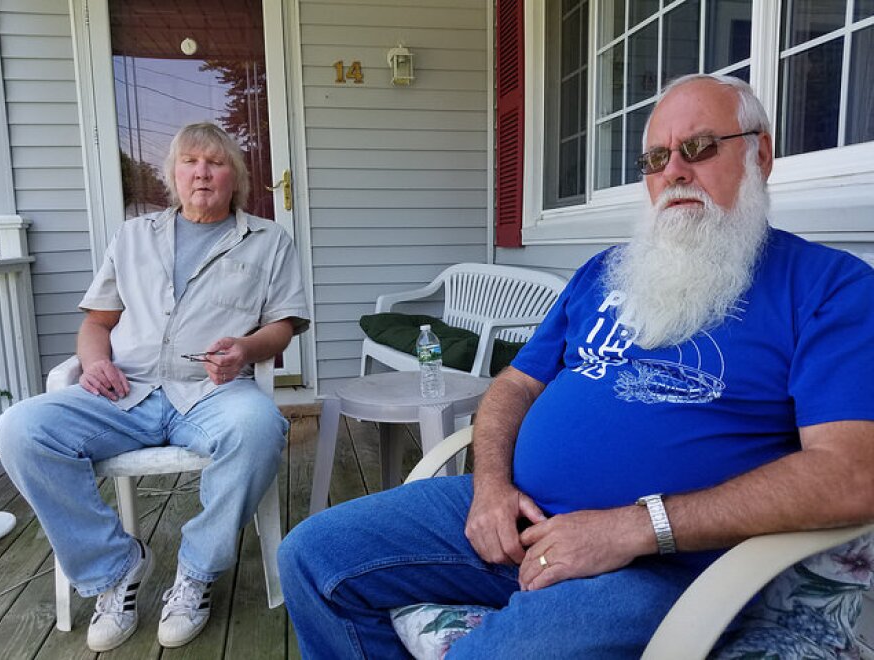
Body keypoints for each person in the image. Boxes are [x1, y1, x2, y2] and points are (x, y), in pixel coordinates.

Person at [277, 74, 874, 658]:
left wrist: (633, 528)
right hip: (519, 519)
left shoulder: (828, 288)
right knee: (311, 556)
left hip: (657, 567)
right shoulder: (606, 271)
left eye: (697, 147)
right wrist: (490, 487)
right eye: (656, 158)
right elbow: (513, 383)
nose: (674, 172)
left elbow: (850, 474)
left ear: (759, 156)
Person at [0, 122, 309, 652]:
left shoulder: (267, 240)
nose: (202, 172)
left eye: (216, 162)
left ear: (237, 177)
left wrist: (245, 350)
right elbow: (97, 323)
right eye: (190, 161)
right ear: (172, 176)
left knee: (259, 429)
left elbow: (283, 324)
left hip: (210, 390)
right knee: (19, 428)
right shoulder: (134, 236)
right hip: (127, 392)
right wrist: (93, 363)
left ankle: (197, 571)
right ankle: (115, 567)